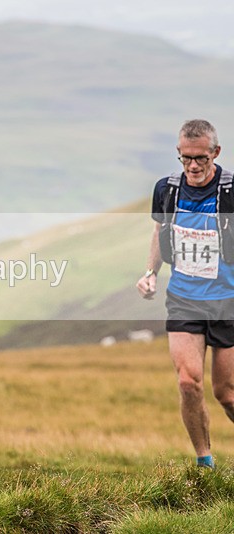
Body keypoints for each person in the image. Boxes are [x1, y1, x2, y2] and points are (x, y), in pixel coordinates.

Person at [137, 119, 234, 469]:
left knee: (227, 394)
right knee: (188, 382)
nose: (193, 166)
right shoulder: (167, 189)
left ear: (215, 154)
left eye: (201, 159)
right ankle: (204, 462)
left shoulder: (230, 191)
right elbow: (159, 233)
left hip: (227, 301)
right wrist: (150, 273)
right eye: (185, 158)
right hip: (183, 298)